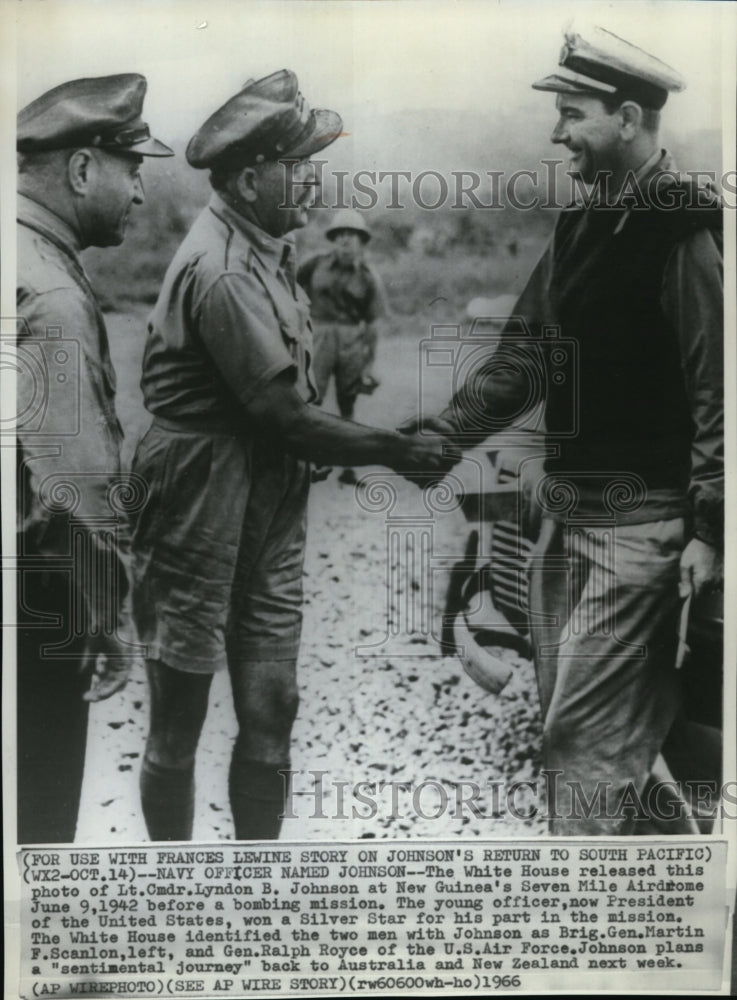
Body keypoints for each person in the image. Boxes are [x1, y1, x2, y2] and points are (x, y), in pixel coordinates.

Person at [404, 25, 723, 834]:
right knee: (598, 736)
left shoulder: (680, 227)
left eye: (571, 114)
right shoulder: (579, 226)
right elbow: (524, 360)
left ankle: (587, 938)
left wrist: (712, 525)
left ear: (624, 117)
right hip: (566, 527)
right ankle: (669, 884)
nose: (556, 134)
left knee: (576, 744)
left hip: (639, 535)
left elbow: (716, 386)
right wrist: (439, 442)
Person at [130, 70, 458, 842]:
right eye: (298, 166)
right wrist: (395, 450)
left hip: (267, 493)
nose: (313, 179)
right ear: (250, 177)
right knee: (177, 722)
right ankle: (172, 897)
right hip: (198, 495)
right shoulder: (221, 269)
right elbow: (286, 417)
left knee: (273, 705)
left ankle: (254, 893)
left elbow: (294, 412)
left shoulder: (268, 248)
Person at [16, 74, 174, 843]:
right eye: (131, 169)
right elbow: (71, 490)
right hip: (34, 600)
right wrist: (105, 616)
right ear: (82, 171)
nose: (139, 194)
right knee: (38, 828)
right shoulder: (50, 294)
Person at [297, 208, 388, 484]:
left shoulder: (369, 276)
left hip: (351, 339)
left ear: (362, 242)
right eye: (340, 235)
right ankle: (311, 462)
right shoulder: (313, 265)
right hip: (318, 335)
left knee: (348, 403)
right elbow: (290, 293)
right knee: (311, 399)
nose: (346, 241)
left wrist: (369, 364)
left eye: (353, 236)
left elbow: (373, 324)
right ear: (333, 239)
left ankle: (348, 467)